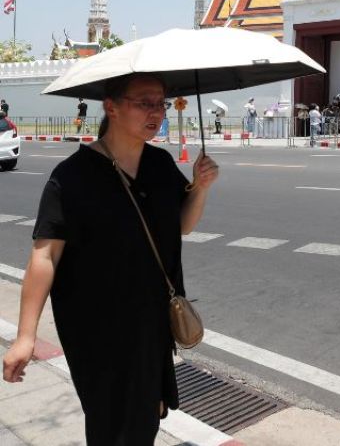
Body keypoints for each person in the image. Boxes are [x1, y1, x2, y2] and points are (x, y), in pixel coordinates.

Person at [1, 73, 219, 444]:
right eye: (144, 102)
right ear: (112, 107)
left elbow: (181, 226)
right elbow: (45, 255)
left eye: (160, 103)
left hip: (153, 320)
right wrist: (25, 336)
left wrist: (200, 189)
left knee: (147, 415)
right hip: (97, 327)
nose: (156, 112)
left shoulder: (160, 164)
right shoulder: (71, 177)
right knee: (112, 423)